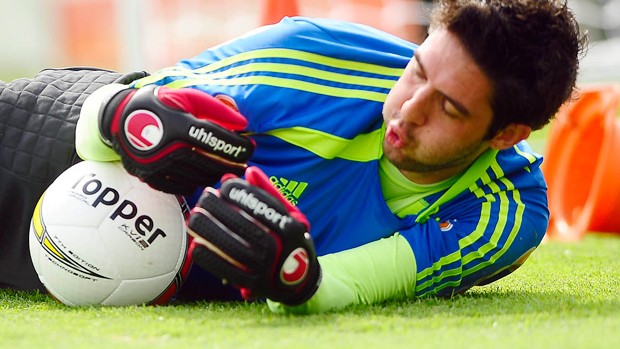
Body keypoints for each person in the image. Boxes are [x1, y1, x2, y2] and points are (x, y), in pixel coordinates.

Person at [0, 0, 584, 314]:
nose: (408, 111)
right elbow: (109, 118)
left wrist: (290, 276)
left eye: (450, 109)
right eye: (418, 71)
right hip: (54, 159)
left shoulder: (507, 210)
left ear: (506, 134)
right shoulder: (311, 57)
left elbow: (346, 283)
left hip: (174, 279)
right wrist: (123, 122)